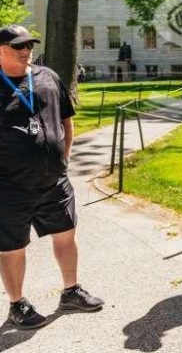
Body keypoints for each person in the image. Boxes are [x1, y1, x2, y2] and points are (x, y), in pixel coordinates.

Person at [0, 25, 104, 330]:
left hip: (53, 179)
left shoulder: (47, 76)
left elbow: (65, 119)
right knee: (12, 246)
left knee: (66, 234)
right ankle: (17, 304)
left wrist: (65, 155)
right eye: (18, 45)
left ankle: (71, 291)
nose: (26, 49)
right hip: (9, 185)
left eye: (29, 44)